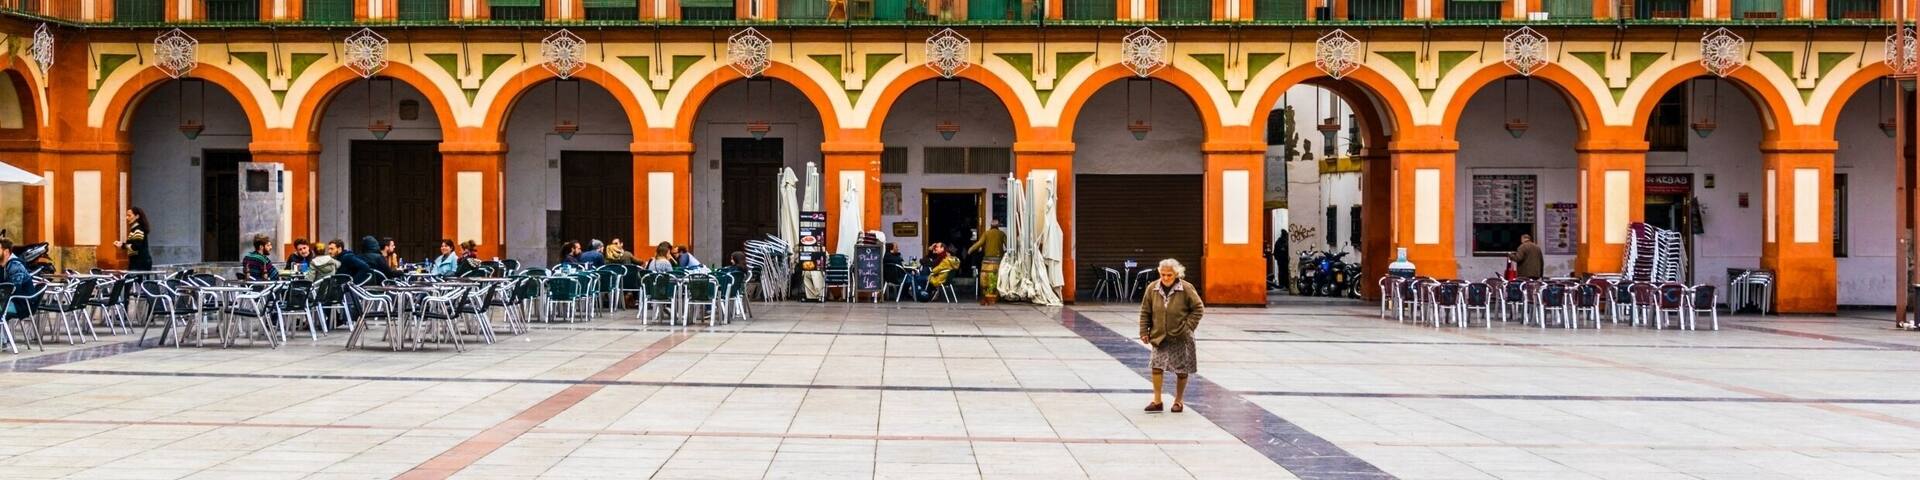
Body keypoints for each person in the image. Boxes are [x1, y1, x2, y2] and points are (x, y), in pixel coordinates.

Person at [1138, 258, 1203, 414]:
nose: (1166, 278)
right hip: (1159, 336)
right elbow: (1145, 311)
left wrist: (1188, 327)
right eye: (1163, 274)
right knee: (1156, 367)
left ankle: (1178, 401)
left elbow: (1198, 309)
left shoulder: (1186, 288)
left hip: (1181, 337)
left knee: (1181, 370)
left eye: (1169, 275)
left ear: (1176, 274)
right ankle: (1157, 400)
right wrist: (1143, 331)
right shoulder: (1152, 288)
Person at [967, 219, 1007, 305]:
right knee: (996, 278)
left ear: (991, 225)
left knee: (985, 280)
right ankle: (996, 296)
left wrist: (970, 249)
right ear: (998, 226)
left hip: (987, 261)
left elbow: (979, 243)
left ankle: (986, 297)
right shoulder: (1002, 234)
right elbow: (1007, 245)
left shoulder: (986, 233)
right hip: (998, 261)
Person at [0, 240, 34, 321]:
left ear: (6, 251)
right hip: (12, 301)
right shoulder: (4, 265)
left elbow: (12, 289)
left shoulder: (15, 265)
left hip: (21, 305)